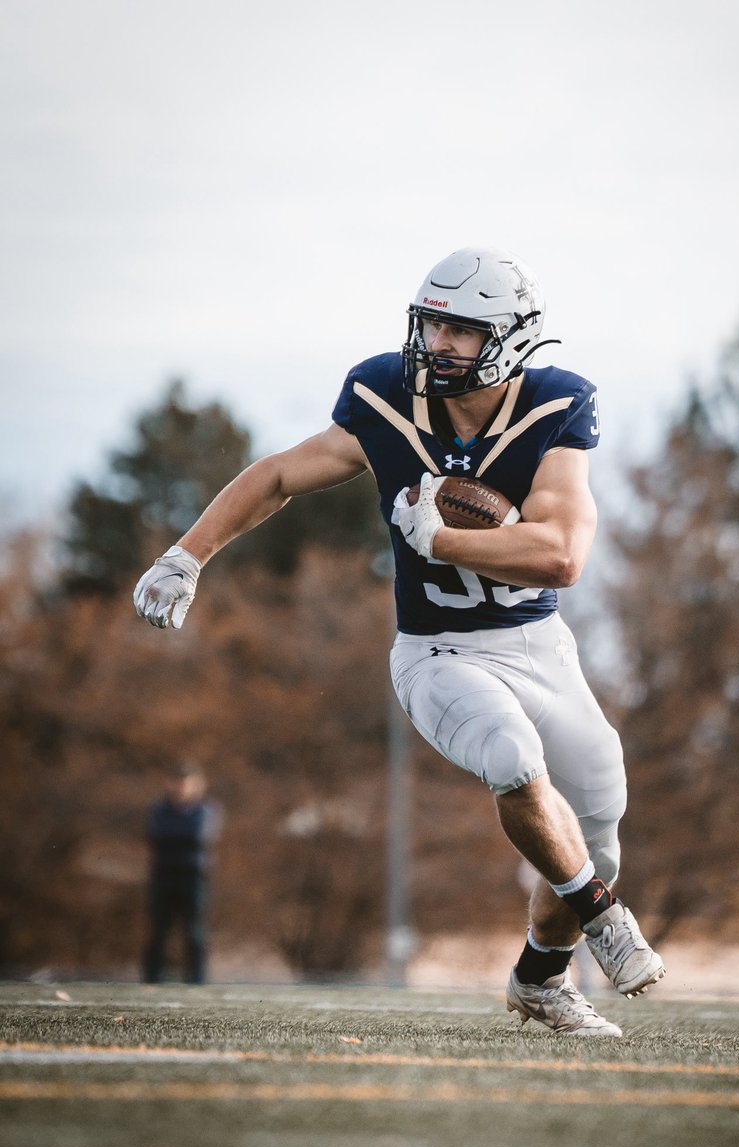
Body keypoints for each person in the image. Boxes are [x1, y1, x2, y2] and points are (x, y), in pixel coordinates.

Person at [133, 246, 664, 1034]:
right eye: (432, 324)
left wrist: (441, 540)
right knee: (512, 758)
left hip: (538, 645)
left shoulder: (555, 405)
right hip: (438, 652)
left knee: (598, 827)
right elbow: (279, 475)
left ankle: (540, 979)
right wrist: (188, 554)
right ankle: (603, 917)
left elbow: (562, 556)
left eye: (462, 330)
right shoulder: (386, 395)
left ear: (512, 337)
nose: (439, 343)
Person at [142, 761, 219, 984]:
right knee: (159, 930)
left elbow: (199, 836)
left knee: (195, 931)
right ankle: (152, 979)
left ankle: (197, 980)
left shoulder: (206, 809)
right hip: (163, 874)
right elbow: (155, 835)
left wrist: (172, 837)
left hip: (193, 875)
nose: (181, 788)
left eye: (186, 783)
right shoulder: (159, 809)